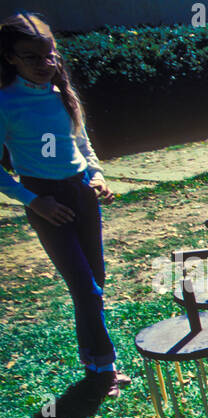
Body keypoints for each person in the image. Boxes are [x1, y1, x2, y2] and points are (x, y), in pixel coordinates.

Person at [1, 13, 129, 396]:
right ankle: (103, 370)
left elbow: (82, 145)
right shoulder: (6, 102)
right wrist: (33, 201)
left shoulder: (63, 96)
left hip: (82, 194)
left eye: (50, 56)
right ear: (10, 58)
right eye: (32, 58)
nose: (45, 65)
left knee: (96, 283)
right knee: (85, 288)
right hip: (46, 200)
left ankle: (93, 359)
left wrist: (98, 176)